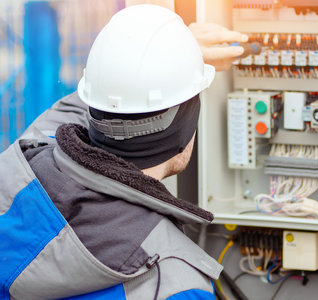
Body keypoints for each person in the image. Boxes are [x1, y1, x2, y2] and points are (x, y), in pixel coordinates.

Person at [0, 5, 245, 300]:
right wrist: (177, 59)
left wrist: (174, 56)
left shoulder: (21, 163)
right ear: (187, 121)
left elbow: (78, 108)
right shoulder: (176, 284)